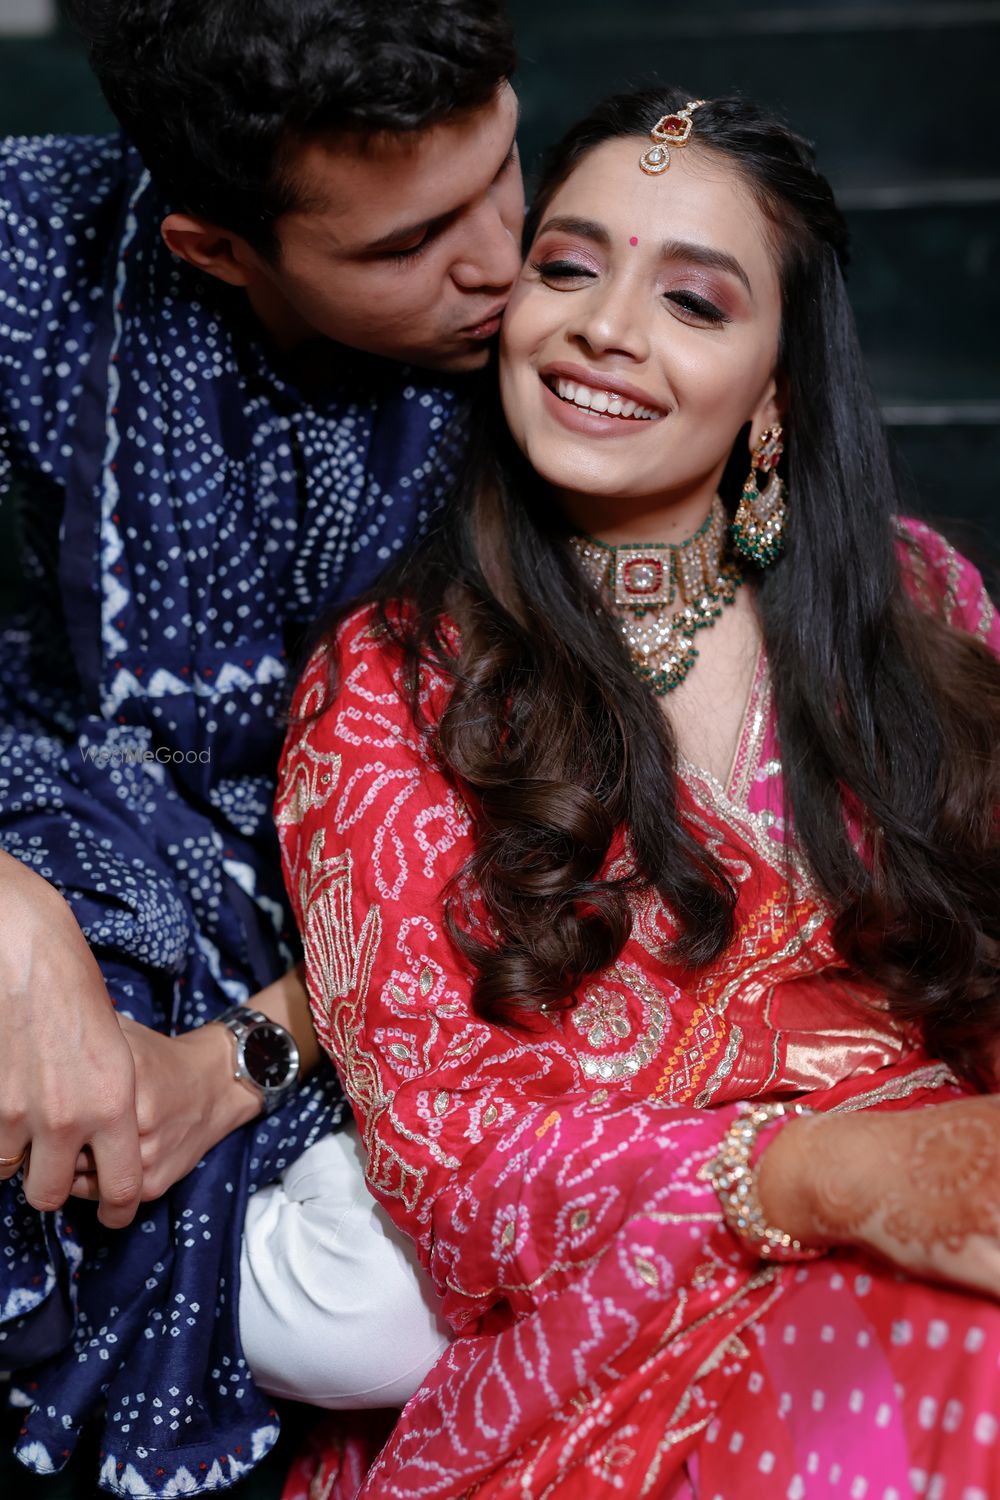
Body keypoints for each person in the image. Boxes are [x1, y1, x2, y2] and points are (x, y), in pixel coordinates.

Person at [275, 87, 1000, 1498]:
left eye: (695, 300)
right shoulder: (394, 681)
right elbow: (453, 1164)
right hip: (601, 1340)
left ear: (778, 390)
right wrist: (825, 1178)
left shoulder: (919, 603)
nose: (605, 326)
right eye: (569, 265)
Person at [0, 0, 520, 1490]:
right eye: (406, 243)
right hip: (67, 812)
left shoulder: (575, 335)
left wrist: (240, 1060)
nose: (501, 254)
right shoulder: (34, 243)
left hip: (420, 906)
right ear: (215, 248)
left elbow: (586, 824)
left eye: (502, 168)